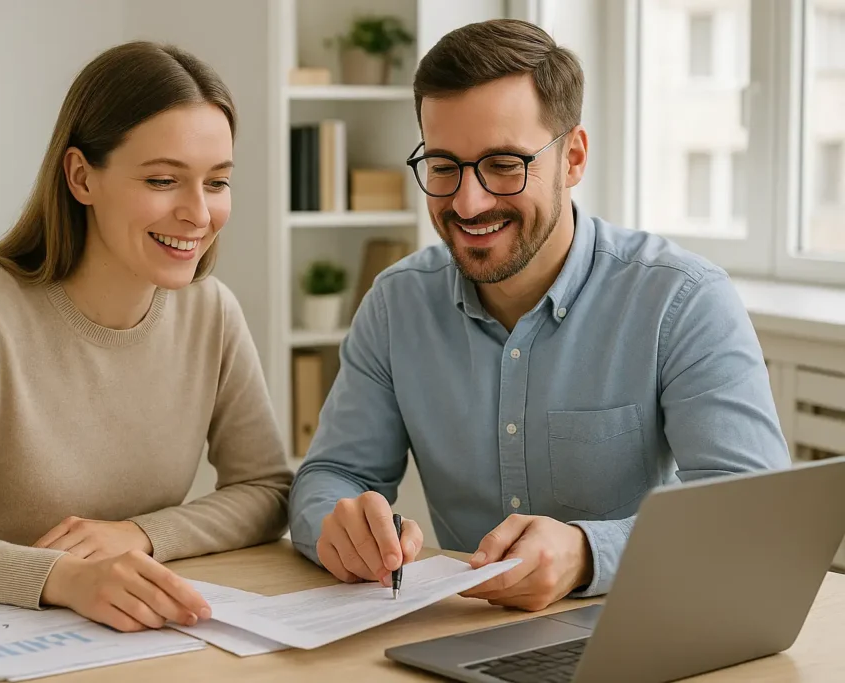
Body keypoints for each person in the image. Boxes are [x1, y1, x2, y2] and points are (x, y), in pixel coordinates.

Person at [288, 19, 790, 612]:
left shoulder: (683, 299)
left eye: (504, 164)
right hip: (459, 637)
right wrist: (342, 523)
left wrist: (587, 553)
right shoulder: (397, 305)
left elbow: (752, 514)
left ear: (573, 157)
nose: (468, 203)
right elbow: (330, 477)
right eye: (444, 166)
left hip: (640, 625)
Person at [0, 41, 292, 633]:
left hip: (129, 638)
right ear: (82, 177)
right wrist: (62, 577)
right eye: (164, 180)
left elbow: (267, 490)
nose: (199, 214)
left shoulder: (211, 312)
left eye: (216, 183)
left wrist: (140, 536)